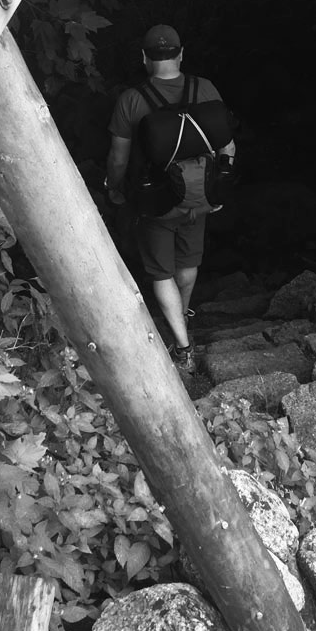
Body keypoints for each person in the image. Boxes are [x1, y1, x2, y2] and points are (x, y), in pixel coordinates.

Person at [105, 24, 235, 373]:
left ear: (144, 58)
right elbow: (227, 146)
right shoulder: (204, 88)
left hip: (158, 199)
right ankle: (184, 324)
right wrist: (219, 183)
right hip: (201, 194)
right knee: (188, 264)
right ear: (180, 54)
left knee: (161, 272)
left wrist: (114, 188)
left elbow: (119, 158)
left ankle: (182, 346)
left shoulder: (132, 100)